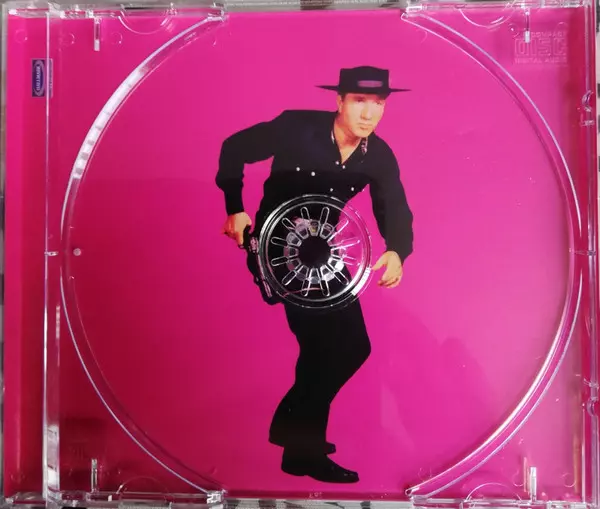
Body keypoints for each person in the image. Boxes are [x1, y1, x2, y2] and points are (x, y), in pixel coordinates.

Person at [216, 66, 414, 484]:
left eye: (378, 104)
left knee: (350, 347)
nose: (369, 114)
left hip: (323, 252)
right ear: (339, 101)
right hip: (278, 249)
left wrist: (397, 249)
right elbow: (234, 147)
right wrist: (235, 208)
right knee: (325, 347)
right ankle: (303, 446)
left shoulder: (378, 154)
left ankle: (294, 436)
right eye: (359, 101)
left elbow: (393, 204)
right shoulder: (296, 127)